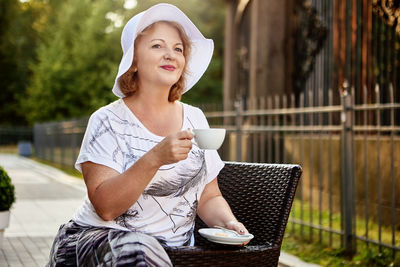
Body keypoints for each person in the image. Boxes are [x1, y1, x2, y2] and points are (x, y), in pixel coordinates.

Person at [47, 3, 248, 266]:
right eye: (157, 46)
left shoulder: (195, 117)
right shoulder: (107, 120)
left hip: (170, 252)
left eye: (178, 49)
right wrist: (155, 157)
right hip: (100, 242)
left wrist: (230, 224)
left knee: (145, 251)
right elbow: (105, 208)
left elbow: (209, 197)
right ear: (133, 60)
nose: (170, 54)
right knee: (138, 249)